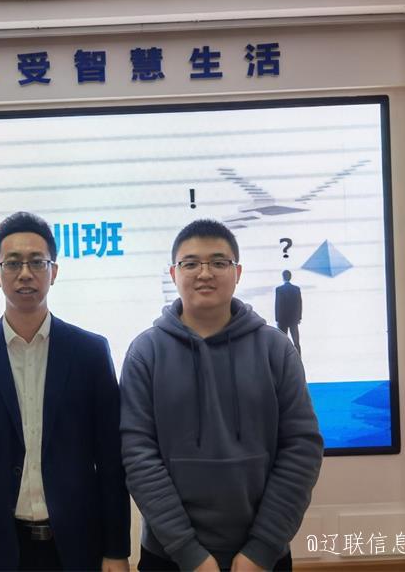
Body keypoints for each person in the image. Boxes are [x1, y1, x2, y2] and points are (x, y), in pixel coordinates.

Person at [120, 219, 322, 572]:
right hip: (169, 556)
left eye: (218, 262)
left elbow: (301, 447)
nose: (204, 273)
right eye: (191, 263)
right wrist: (189, 553)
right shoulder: (145, 353)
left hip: (262, 557)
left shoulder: (276, 349)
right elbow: (138, 456)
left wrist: (262, 548)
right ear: (173, 273)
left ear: (237, 272)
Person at [0, 211, 130, 571]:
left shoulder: (90, 353)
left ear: (53, 272)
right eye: (12, 263)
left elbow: (110, 461)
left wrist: (116, 550)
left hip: (77, 548)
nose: (25, 273)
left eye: (36, 262)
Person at [275, 270, 302, 356]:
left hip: (282, 320)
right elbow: (299, 304)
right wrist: (299, 317)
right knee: (296, 342)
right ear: (290, 277)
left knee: (282, 342)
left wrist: (277, 319)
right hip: (293, 319)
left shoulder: (279, 289)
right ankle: (298, 359)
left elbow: (277, 305)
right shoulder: (296, 289)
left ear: (283, 277)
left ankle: (283, 359)